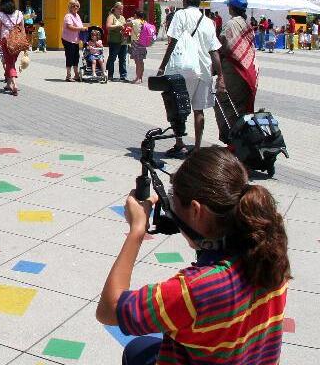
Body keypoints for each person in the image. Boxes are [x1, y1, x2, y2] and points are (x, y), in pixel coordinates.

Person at [96, 147, 290, 365]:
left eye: (173, 201)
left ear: (197, 211)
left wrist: (136, 231)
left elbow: (108, 310)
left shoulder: (194, 290)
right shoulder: (270, 253)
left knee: (135, 351)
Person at [157, 0, 225, 157]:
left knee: (177, 107)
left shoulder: (180, 15)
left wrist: (162, 66)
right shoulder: (208, 21)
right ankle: (197, 147)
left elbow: (172, 42)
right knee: (199, 110)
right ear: (200, 1)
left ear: (185, 0)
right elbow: (214, 51)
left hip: (183, 70)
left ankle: (179, 143)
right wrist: (221, 76)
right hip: (203, 70)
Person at [213, 0, 258, 144]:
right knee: (240, 106)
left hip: (232, 71)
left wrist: (214, 69)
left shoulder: (230, 24)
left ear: (231, 8)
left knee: (223, 103)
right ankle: (242, 139)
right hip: (247, 72)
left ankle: (231, 139)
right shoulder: (247, 25)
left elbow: (223, 47)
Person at [0, 0, 25, 96]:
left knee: (10, 63)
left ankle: (14, 84)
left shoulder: (1, 15)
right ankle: (8, 84)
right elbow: (22, 29)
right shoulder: (19, 13)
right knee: (11, 62)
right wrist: (23, 41)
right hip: (18, 41)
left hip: (6, 40)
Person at [62, 0, 85, 81]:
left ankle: (76, 75)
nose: (75, 7)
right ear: (70, 7)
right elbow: (69, 27)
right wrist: (81, 28)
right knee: (69, 57)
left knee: (76, 57)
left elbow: (80, 27)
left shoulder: (77, 16)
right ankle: (68, 76)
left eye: (77, 6)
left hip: (75, 40)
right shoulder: (68, 16)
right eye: (73, 6)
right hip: (68, 39)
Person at [106, 2, 130, 81]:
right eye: (119, 8)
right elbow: (108, 26)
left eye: (122, 9)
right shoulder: (111, 16)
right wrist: (118, 26)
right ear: (115, 8)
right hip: (114, 41)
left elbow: (124, 26)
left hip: (123, 41)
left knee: (122, 59)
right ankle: (109, 75)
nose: (121, 10)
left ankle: (123, 75)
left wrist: (126, 29)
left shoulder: (122, 17)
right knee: (112, 58)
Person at [129, 10, 152, 84]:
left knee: (137, 62)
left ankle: (137, 78)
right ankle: (140, 78)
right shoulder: (144, 22)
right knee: (141, 61)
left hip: (136, 42)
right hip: (143, 43)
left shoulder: (135, 21)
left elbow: (125, 24)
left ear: (136, 15)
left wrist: (131, 19)